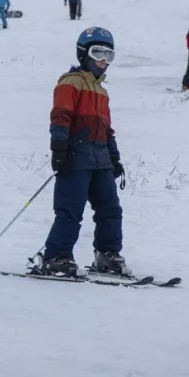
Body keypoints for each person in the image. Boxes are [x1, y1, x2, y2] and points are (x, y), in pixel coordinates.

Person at [41, 26, 127, 277]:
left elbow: (107, 129)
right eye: (98, 53)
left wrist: (114, 157)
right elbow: (60, 116)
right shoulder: (71, 83)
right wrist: (59, 148)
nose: (103, 61)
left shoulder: (101, 90)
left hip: (100, 160)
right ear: (83, 54)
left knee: (110, 209)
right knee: (70, 210)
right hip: (75, 157)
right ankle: (57, 256)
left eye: (108, 55)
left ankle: (107, 254)